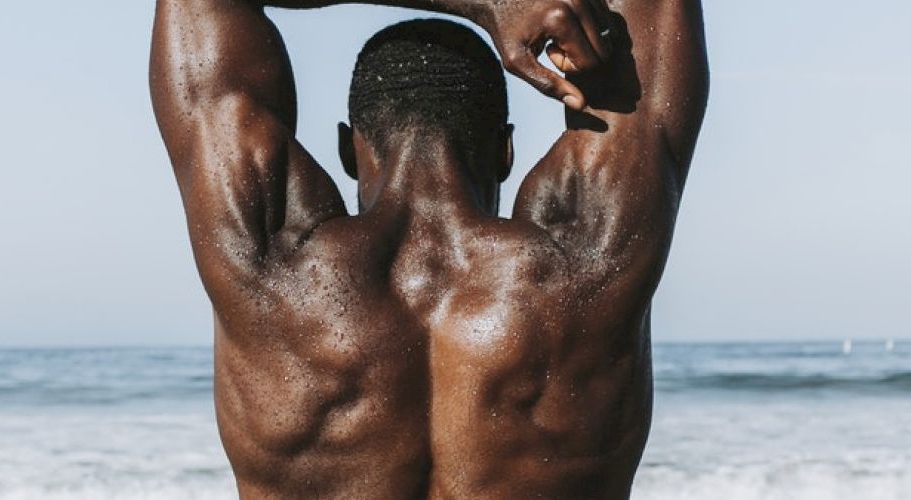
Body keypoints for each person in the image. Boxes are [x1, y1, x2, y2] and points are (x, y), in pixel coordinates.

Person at [149, 0, 706, 497]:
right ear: (505, 150)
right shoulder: (590, 260)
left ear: (350, 150)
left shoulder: (269, 265)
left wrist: (485, 5)